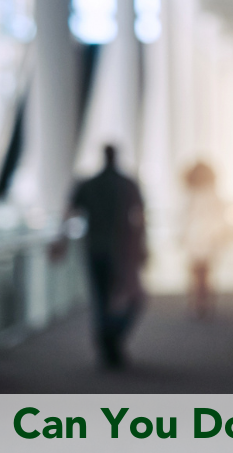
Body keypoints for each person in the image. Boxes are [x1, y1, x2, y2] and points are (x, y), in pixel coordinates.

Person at [68, 145, 147, 369]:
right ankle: (111, 339)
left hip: (95, 248)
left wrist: (61, 241)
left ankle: (106, 342)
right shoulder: (127, 183)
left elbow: (69, 211)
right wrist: (142, 246)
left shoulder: (88, 184)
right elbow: (140, 217)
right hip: (121, 251)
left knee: (101, 299)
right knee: (133, 297)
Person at [181, 160, 225, 320]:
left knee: (199, 273)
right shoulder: (207, 195)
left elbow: (187, 217)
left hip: (201, 239)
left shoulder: (194, 195)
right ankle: (201, 302)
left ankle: (200, 302)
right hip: (202, 239)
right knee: (202, 273)